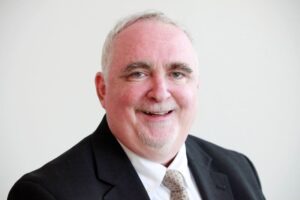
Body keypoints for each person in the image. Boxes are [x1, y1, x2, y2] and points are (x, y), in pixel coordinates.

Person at [8, 11, 265, 200]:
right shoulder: (46, 194)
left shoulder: (239, 169)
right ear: (102, 89)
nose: (160, 93)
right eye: (138, 73)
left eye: (177, 73)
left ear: (196, 86)